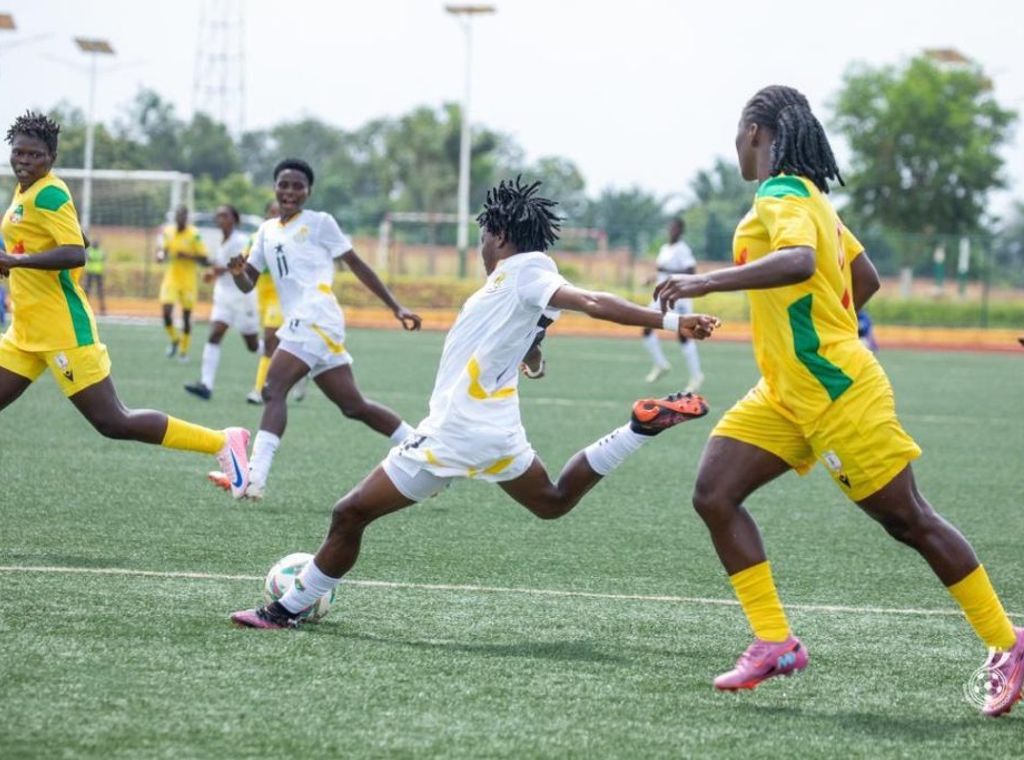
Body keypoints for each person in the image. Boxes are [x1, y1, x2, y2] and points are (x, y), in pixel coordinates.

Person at [655, 85, 1023, 716]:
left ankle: (1007, 641)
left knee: (908, 519)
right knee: (714, 492)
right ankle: (774, 640)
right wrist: (814, 326)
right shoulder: (815, 199)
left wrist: (707, 281)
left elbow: (799, 261)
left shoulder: (781, 194)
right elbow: (865, 278)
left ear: (755, 132)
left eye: (737, 136)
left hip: (835, 391)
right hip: (786, 393)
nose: (736, 148)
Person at [228, 177, 719, 629]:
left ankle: (284, 609)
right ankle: (638, 428)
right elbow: (533, 324)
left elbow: (591, 301)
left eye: (484, 236)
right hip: (495, 431)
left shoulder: (527, 272)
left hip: (454, 431)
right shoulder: (512, 282)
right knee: (552, 501)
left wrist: (672, 323)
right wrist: (533, 352)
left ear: (500, 235)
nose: (481, 245)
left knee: (349, 514)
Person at [0, 111, 251, 497]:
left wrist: (17, 262)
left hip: (63, 330)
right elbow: (75, 238)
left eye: (35, 155)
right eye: (19, 153)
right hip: (25, 331)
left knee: (113, 421)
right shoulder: (25, 192)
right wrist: (18, 265)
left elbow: (75, 253)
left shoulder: (49, 191)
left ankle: (222, 441)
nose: (25, 161)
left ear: (51, 157)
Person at [211, 158, 423, 500]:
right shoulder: (265, 231)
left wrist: (396, 307)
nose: (290, 191)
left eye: (298, 186)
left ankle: (254, 478)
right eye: (284, 184)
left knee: (274, 387)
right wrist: (237, 272)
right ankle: (422, 448)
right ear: (275, 188)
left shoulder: (321, 223)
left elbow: (357, 265)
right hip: (307, 322)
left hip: (317, 314)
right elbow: (249, 282)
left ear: (309, 191)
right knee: (353, 406)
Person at [184, 205, 259, 400]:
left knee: (252, 345)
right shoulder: (222, 241)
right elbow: (221, 266)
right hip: (224, 298)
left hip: (243, 298)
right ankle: (206, 385)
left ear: (234, 219)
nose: (220, 219)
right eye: (218, 216)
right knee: (215, 334)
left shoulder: (240, 240)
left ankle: (284, 358)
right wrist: (213, 273)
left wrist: (215, 272)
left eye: (224, 215)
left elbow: (241, 263)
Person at [642, 217, 703, 390]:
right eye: (670, 227)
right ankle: (661, 364)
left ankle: (696, 376)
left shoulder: (682, 249)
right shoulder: (664, 248)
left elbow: (691, 271)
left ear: (681, 231)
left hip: (678, 297)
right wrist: (652, 278)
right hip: (661, 295)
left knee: (684, 335)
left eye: (675, 228)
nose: (671, 230)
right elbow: (662, 273)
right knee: (646, 327)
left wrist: (666, 271)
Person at [157, 204, 208, 362]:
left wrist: (187, 256)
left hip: (188, 281)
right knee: (166, 312)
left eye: (183, 216)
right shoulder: (168, 232)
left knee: (186, 317)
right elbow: (163, 250)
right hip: (171, 278)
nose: (180, 219)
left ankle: (184, 351)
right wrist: (160, 255)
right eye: (178, 216)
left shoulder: (194, 235)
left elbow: (205, 259)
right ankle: (174, 339)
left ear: (187, 218)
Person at [247, 199, 283, 405]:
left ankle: (258, 389)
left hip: (282, 297)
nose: (276, 217)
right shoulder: (255, 238)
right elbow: (246, 265)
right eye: (272, 213)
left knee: (269, 340)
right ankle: (302, 373)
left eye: (279, 213)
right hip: (262, 297)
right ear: (265, 216)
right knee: (279, 344)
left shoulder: (290, 239)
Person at [82, 237, 106, 315]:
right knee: (87, 290)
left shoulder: (95, 251)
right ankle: (84, 306)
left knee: (100, 291)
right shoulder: (94, 251)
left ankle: (102, 309)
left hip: (97, 272)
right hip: (91, 272)